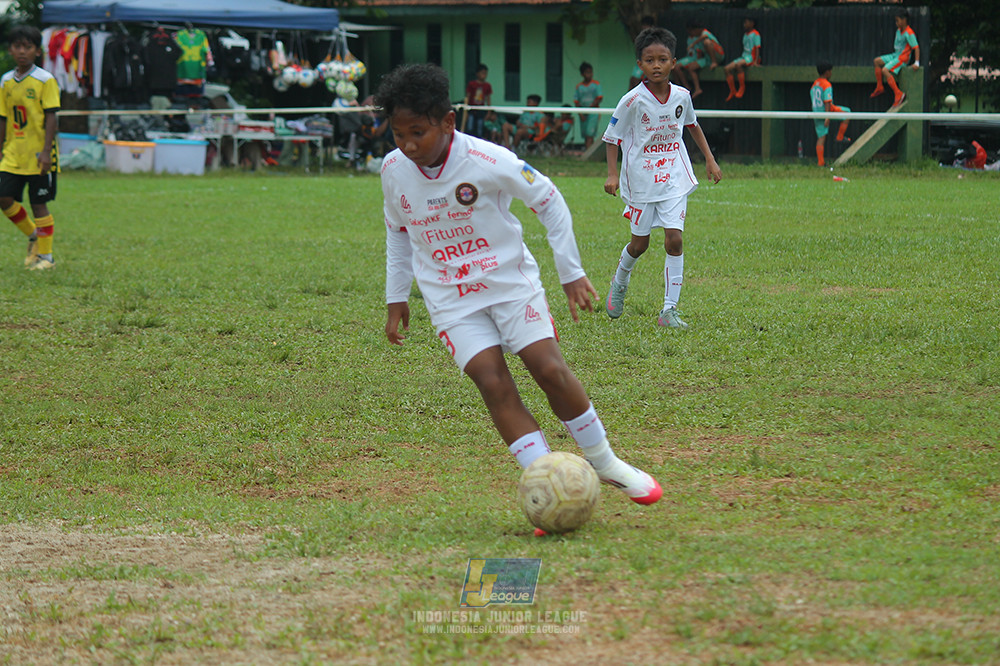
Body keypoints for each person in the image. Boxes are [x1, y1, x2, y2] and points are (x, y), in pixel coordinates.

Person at [377, 63, 663, 528]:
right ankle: (544, 480)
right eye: (397, 134)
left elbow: (549, 200)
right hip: (450, 297)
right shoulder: (393, 171)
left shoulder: (488, 160)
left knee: (548, 368)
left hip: (509, 283)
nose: (408, 145)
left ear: (448, 122)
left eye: (418, 132)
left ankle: (606, 463)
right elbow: (398, 232)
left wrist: (570, 272)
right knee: (491, 381)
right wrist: (396, 297)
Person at [603, 27, 722, 329]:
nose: (656, 65)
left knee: (675, 240)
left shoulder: (682, 95)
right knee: (639, 245)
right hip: (641, 180)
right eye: (649, 60)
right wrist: (612, 174)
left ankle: (669, 311)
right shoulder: (632, 101)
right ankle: (620, 280)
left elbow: (692, 125)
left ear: (673, 62)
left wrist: (709, 159)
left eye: (662, 59)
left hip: (673, 176)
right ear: (640, 64)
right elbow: (612, 137)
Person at [1, 25, 60, 271]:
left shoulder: (45, 80)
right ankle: (34, 235)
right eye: (17, 46)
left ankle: (46, 257)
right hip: (14, 152)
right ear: (10, 50)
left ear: (37, 51)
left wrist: (46, 152)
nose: (22, 51)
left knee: (38, 204)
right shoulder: (5, 81)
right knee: (3, 197)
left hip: (39, 154)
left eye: (28, 47)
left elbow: (52, 117)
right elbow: (3, 118)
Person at [870, 9, 920, 107]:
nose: (896, 23)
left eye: (897, 20)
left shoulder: (909, 33)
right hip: (895, 55)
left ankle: (898, 93)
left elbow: (916, 47)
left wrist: (916, 62)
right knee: (877, 61)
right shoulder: (898, 31)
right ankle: (880, 86)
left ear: (904, 20)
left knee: (885, 70)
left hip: (902, 58)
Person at [810, 62, 851, 167]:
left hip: (816, 112)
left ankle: (821, 162)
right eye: (831, 71)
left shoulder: (814, 84)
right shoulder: (826, 84)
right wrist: (828, 116)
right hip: (827, 111)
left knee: (821, 137)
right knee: (848, 113)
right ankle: (840, 137)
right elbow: (827, 101)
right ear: (827, 72)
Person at [672, 21, 724, 99]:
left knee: (691, 67)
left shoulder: (705, 34)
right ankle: (680, 87)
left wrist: (693, 44)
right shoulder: (691, 38)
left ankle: (694, 88)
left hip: (715, 55)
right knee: (675, 67)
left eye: (692, 30)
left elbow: (704, 39)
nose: (691, 32)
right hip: (695, 57)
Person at [723, 17, 761, 102]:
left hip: (751, 57)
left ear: (752, 23)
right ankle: (732, 90)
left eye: (746, 22)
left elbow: (757, 48)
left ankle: (742, 87)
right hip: (744, 56)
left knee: (738, 65)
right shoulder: (745, 35)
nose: (744, 25)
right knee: (727, 69)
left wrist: (755, 61)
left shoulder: (756, 34)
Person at [573, 62, 603, 151]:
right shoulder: (579, 87)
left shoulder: (596, 84)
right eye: (587, 72)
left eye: (591, 72)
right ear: (582, 74)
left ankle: (588, 153)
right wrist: (580, 113)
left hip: (593, 112)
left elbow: (599, 98)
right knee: (586, 134)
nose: (589, 75)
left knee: (590, 132)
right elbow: (576, 101)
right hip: (583, 113)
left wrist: (590, 107)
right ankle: (589, 151)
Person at [628, 15, 658, 89]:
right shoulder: (642, 37)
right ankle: (629, 100)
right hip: (640, 63)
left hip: (648, 64)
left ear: (651, 26)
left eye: (646, 25)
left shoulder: (655, 38)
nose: (644, 27)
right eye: (643, 25)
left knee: (636, 81)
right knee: (632, 80)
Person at [464, 63, 492, 138]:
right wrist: (466, 110)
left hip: (481, 109)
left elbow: (488, 98)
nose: (484, 75)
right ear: (477, 74)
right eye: (482, 73)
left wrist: (489, 111)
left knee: (480, 129)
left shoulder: (487, 85)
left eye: (485, 73)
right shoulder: (472, 84)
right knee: (469, 127)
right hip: (471, 109)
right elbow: (468, 96)